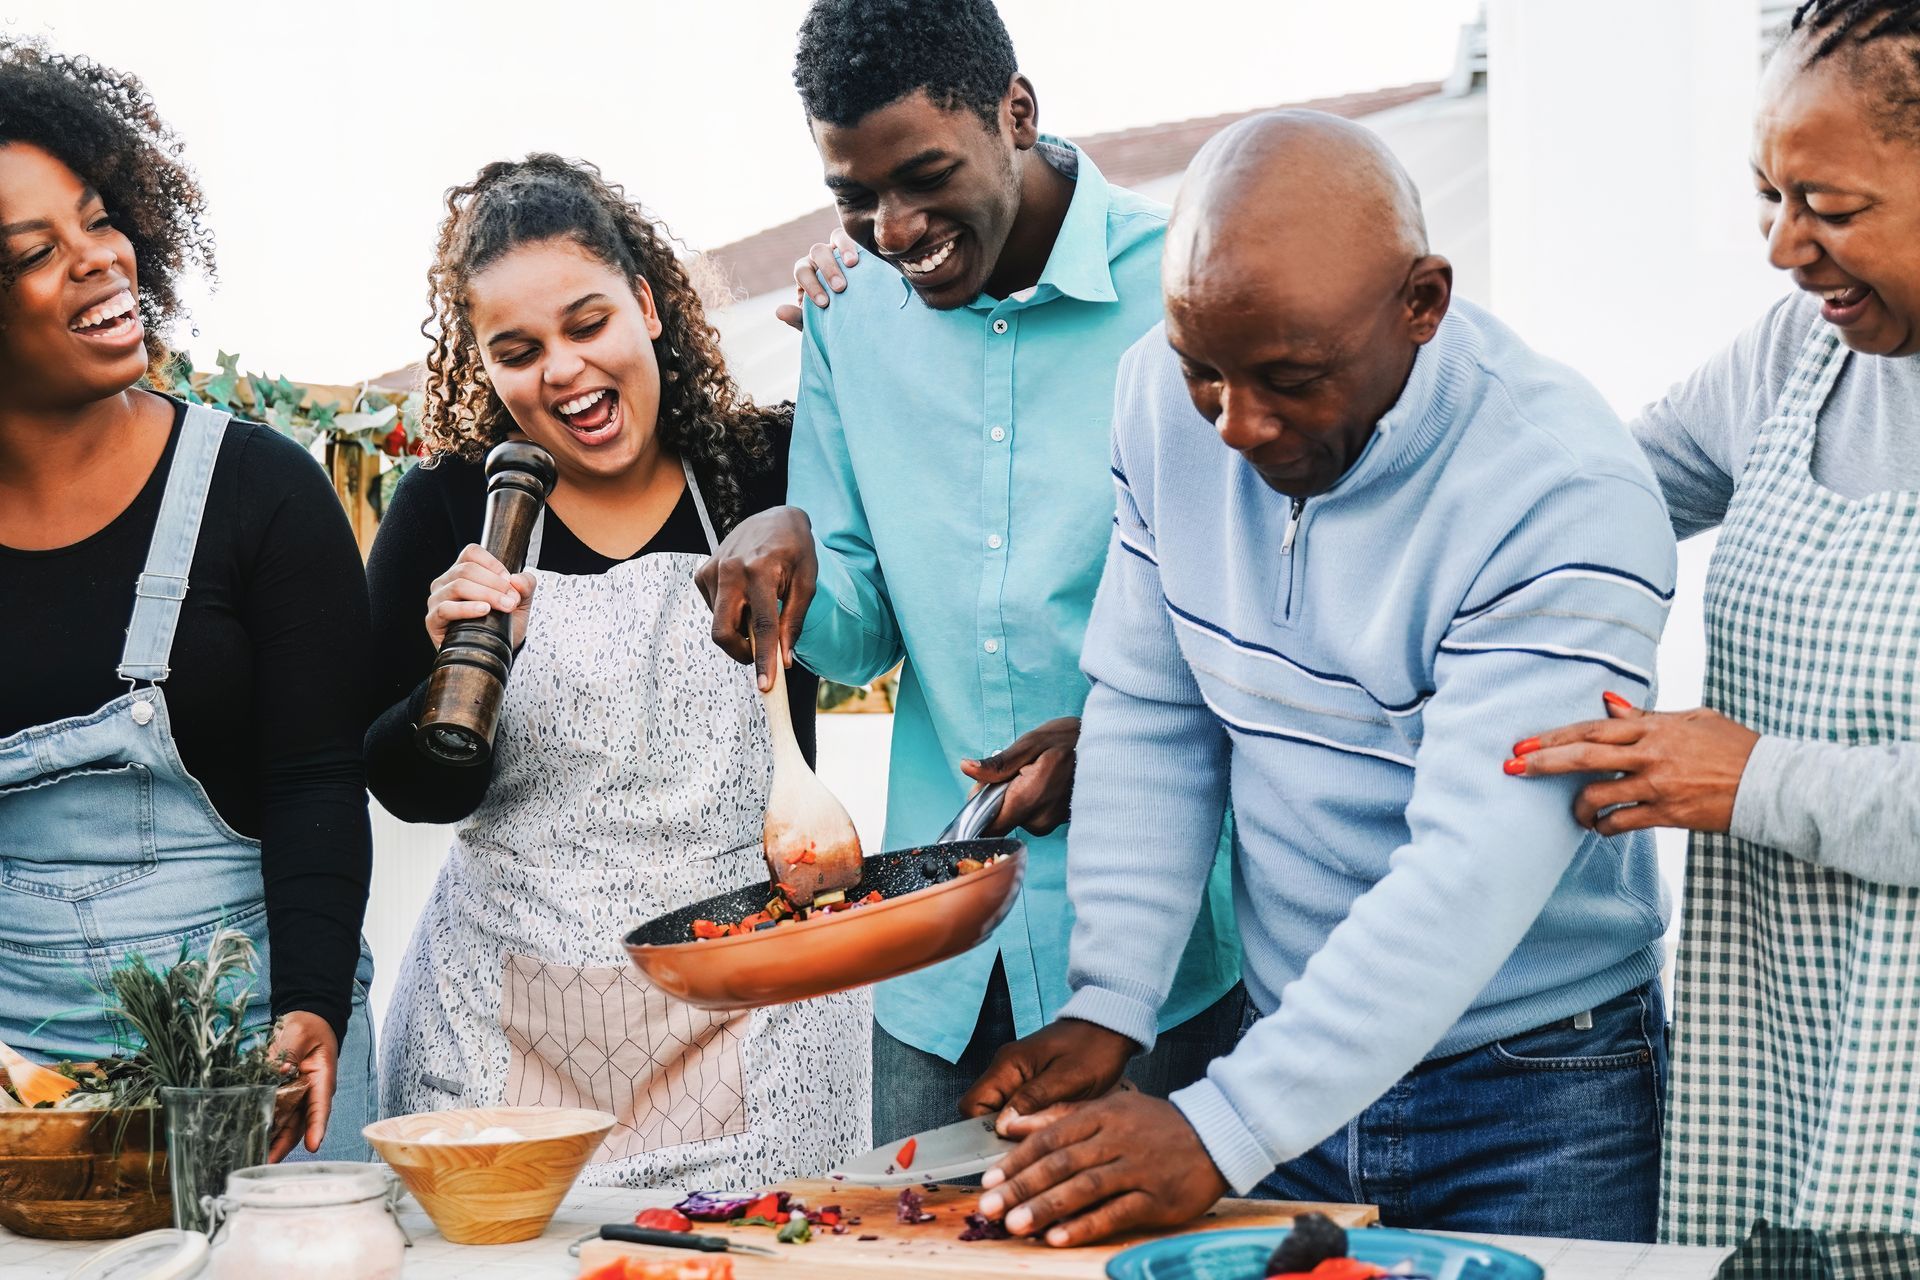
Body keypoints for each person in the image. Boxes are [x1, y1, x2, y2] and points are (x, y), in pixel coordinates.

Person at [964, 111, 1680, 1245]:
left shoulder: (1562, 493)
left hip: (1539, 1092)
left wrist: (1219, 1128)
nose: (1237, 427)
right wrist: (1113, 999)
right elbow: (1155, 709)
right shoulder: (1156, 399)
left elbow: (1469, 869)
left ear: (1423, 303)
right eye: (1204, 373)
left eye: (1292, 379)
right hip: (1283, 1051)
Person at [699, 0, 1242, 1146]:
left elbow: (1256, 605)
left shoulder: (1184, 288)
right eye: (855, 195)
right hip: (934, 954)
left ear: (1017, 113)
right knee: (896, 1235)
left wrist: (1120, 741)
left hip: (1156, 950)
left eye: (925, 176)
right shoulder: (848, 311)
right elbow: (862, 634)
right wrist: (790, 569)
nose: (893, 229)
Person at [365, 155, 868, 1186]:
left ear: (646, 303)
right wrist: (456, 670)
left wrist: (872, 294)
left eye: (586, 324)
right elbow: (407, 788)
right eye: (518, 351)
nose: (561, 369)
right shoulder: (451, 507)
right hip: (504, 1035)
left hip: (757, 1019)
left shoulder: (768, 470)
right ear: (484, 366)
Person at [1512, 0, 1920, 1246]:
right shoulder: (1799, 357)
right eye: (1768, 196)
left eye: (1831, 207)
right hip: (1782, 1055)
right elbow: (1578, 507)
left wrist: (1751, 777)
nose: (1786, 247)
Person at [0, 38, 375, 1160]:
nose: (100, 260)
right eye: (36, 251)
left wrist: (313, 1005)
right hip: (23, 1082)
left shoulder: (262, 491)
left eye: (99, 218)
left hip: (260, 1055)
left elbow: (318, 778)